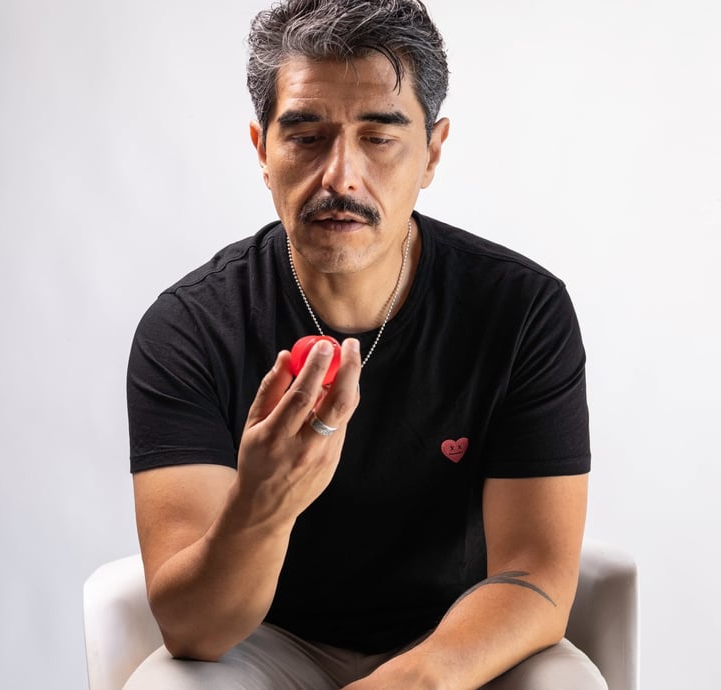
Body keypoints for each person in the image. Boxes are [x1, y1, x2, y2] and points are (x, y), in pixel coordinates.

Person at [125, 1, 606, 688]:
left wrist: (415, 678)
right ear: (262, 150)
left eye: (379, 138)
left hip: (457, 637)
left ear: (432, 152)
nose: (340, 177)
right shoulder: (191, 329)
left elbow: (535, 577)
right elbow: (193, 630)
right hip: (266, 641)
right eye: (306, 137)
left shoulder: (521, 310)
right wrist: (263, 503)